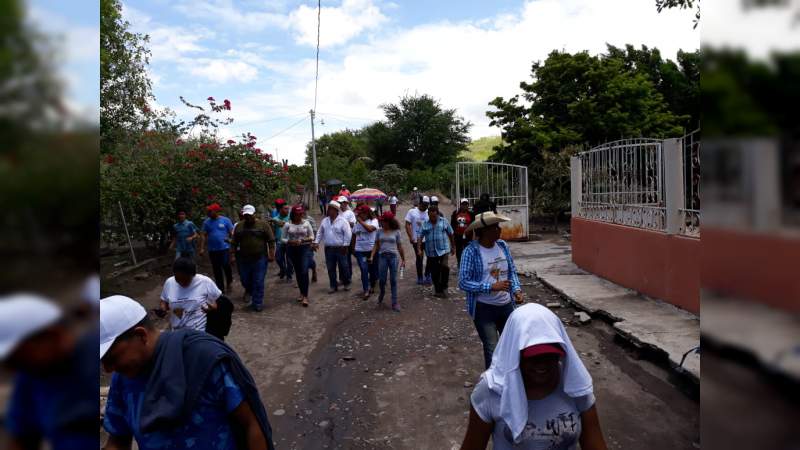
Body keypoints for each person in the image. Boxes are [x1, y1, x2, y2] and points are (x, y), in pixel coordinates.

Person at [100, 295, 275, 450]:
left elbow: (251, 424)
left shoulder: (203, 360)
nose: (107, 369)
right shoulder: (122, 378)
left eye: (111, 358)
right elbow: (118, 440)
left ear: (141, 336)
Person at [460, 303, 608, 450]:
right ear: (514, 354)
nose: (541, 363)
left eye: (549, 355)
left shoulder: (574, 385)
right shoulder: (492, 389)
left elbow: (594, 443)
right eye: (533, 356)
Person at [1, 294, 98, 450]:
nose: (10, 369)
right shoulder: (30, 375)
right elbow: (22, 437)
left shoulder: (94, 354)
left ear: (54, 334)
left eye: (16, 358)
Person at [459, 212, 524, 369]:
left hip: (506, 306)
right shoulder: (471, 251)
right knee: (493, 350)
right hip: (484, 309)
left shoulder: (502, 246)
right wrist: (490, 287)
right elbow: (463, 282)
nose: (499, 229)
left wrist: (516, 289)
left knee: (512, 346)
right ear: (484, 230)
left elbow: (511, 272)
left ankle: (511, 381)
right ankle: (493, 386)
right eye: (495, 226)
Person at [231, 204, 276, 312]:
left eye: (250, 215)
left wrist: (271, 254)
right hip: (243, 258)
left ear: (254, 214)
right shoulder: (239, 226)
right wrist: (232, 255)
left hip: (260, 258)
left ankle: (257, 303)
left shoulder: (263, 225)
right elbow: (234, 242)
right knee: (244, 279)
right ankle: (250, 291)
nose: (248, 217)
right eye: (246, 215)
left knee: (258, 280)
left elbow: (271, 240)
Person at [158, 257, 221, 330]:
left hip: (199, 332)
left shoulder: (205, 282)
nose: (181, 282)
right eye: (177, 279)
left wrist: (212, 309)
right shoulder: (169, 283)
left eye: (185, 279)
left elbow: (218, 301)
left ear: (193, 275)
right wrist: (162, 309)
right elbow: (164, 301)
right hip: (177, 332)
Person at [313, 201, 353, 293]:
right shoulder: (325, 221)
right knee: (330, 267)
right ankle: (333, 285)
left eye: (331, 209)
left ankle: (346, 283)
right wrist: (316, 242)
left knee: (344, 266)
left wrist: (345, 245)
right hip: (329, 248)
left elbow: (348, 234)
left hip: (341, 248)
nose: (329, 211)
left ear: (336, 210)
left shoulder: (343, 221)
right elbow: (320, 232)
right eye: (329, 209)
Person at [369, 211, 406, 312]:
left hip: (393, 257)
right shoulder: (379, 232)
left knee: (393, 280)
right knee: (382, 280)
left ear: (388, 222)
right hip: (382, 257)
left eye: (383, 221)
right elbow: (376, 245)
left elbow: (400, 246)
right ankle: (382, 293)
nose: (381, 223)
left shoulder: (396, 232)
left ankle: (394, 302)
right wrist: (372, 256)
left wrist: (403, 259)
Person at [418, 205, 456, 298]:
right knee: (434, 271)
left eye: (434, 216)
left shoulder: (444, 221)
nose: (433, 218)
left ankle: (444, 286)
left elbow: (451, 234)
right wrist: (419, 249)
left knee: (444, 266)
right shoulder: (425, 224)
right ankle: (438, 290)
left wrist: (453, 246)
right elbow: (420, 237)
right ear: (428, 215)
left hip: (444, 249)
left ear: (437, 214)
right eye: (431, 216)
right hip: (431, 251)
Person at [282, 205, 315, 307]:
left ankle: (305, 296)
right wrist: (290, 241)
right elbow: (282, 238)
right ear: (293, 214)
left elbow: (312, 236)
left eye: (301, 214)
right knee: (298, 271)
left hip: (304, 248)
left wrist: (303, 240)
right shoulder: (287, 224)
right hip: (292, 249)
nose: (299, 216)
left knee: (304, 271)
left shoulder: (306, 223)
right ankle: (301, 292)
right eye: (297, 214)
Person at [201, 203, 235, 293]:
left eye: (210, 211)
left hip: (224, 248)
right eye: (207, 211)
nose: (208, 213)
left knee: (226, 266)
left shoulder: (225, 220)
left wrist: (233, 243)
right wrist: (202, 248)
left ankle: (229, 282)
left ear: (216, 211)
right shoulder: (206, 222)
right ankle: (220, 288)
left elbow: (232, 233)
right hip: (212, 250)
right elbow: (203, 235)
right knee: (216, 269)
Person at [352, 205, 379, 300]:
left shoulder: (374, 221)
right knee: (364, 269)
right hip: (360, 251)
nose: (359, 215)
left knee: (373, 270)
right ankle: (366, 290)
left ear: (367, 213)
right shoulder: (357, 224)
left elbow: (370, 229)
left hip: (372, 250)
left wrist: (360, 221)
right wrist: (353, 249)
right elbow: (354, 235)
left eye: (361, 213)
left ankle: (372, 285)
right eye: (358, 213)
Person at [405, 195, 430, 285]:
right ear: (419, 203)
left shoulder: (429, 212)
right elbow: (407, 224)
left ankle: (428, 274)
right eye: (424, 204)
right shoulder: (412, 212)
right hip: (416, 240)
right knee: (419, 258)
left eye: (427, 204)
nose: (425, 206)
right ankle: (420, 277)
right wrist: (410, 236)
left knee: (430, 258)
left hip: (428, 240)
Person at [271, 200, 294, 282]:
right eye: (285, 209)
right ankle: (283, 269)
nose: (287, 210)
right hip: (279, 241)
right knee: (278, 258)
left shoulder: (291, 218)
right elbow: (272, 229)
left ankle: (289, 276)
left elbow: (288, 225)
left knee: (289, 260)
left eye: (288, 209)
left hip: (289, 241)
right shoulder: (275, 219)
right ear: (280, 210)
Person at [451, 198, 474, 267]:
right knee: (459, 250)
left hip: (468, 236)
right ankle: (459, 263)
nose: (464, 206)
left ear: (468, 205)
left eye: (466, 204)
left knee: (468, 250)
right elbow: (452, 224)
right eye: (463, 204)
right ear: (460, 205)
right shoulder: (455, 213)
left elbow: (474, 224)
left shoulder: (471, 214)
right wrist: (454, 233)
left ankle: (467, 263)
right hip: (458, 235)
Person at [302, 206, 318, 283]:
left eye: (303, 209)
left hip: (308, 243)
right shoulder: (294, 219)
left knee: (309, 260)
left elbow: (314, 231)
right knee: (301, 262)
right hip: (298, 244)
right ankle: (302, 280)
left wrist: (314, 242)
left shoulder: (309, 219)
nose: (302, 211)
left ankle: (314, 270)